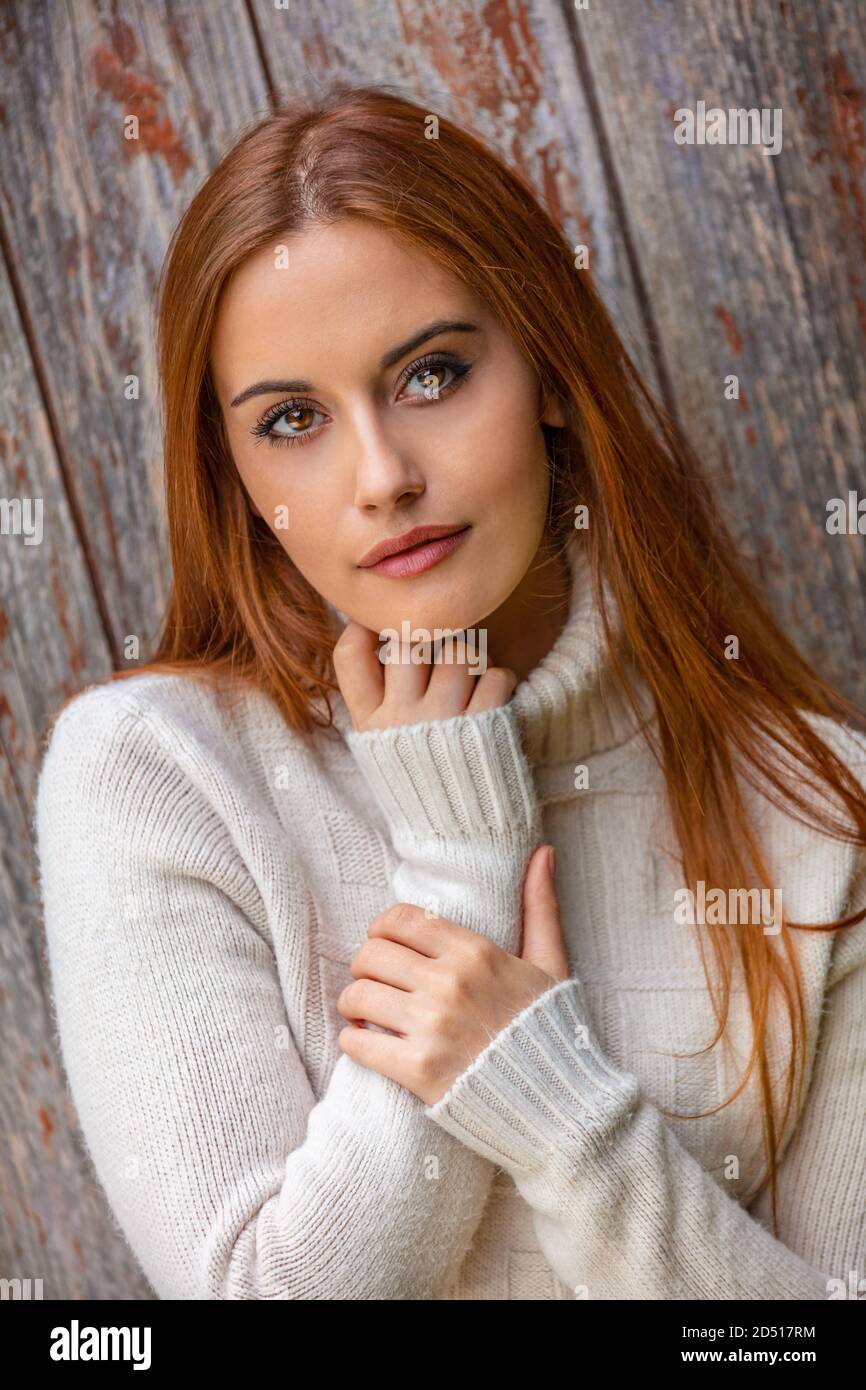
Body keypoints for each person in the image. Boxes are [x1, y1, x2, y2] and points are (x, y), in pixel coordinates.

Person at [35, 85, 866, 1300]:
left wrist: (560, 1114)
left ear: (543, 365)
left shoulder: (822, 811)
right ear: (235, 472)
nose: (380, 476)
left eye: (430, 375)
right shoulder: (158, 773)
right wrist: (457, 860)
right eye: (293, 420)